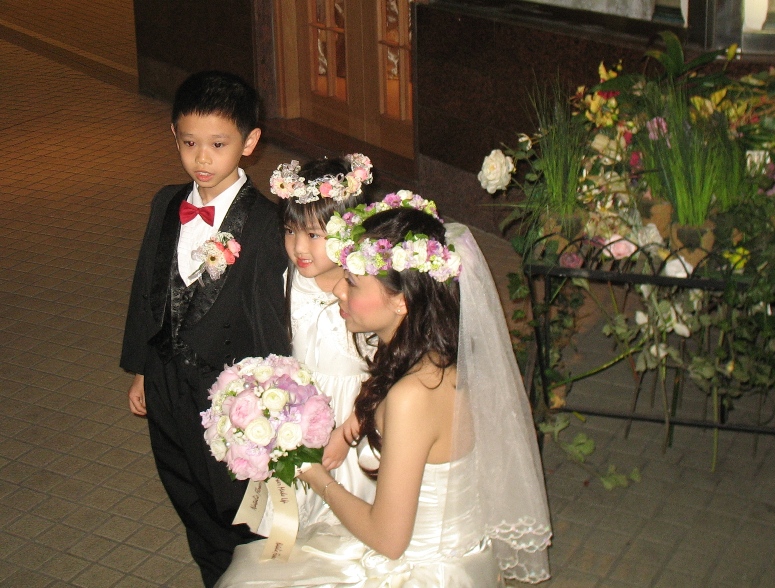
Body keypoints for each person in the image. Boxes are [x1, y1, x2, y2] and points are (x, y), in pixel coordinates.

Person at [217, 193, 552, 587]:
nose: (339, 290)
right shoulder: (424, 355)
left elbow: (389, 541)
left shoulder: (414, 393)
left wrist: (310, 471)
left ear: (400, 302)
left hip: (417, 567)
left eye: (353, 282)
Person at [119, 70, 290, 587]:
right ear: (174, 135)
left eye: (218, 144)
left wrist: (271, 399)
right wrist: (140, 368)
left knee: (238, 503)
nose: (202, 159)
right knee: (186, 489)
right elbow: (148, 287)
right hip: (168, 382)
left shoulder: (265, 223)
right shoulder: (167, 203)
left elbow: (270, 317)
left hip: (231, 395)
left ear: (250, 143)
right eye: (189, 143)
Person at [256, 154, 376, 535]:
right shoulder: (287, 281)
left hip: (356, 419)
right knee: (293, 530)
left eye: (314, 235)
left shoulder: (369, 292)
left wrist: (346, 434)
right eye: (291, 231)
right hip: (299, 417)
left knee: (350, 527)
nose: (299, 248)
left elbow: (387, 374)